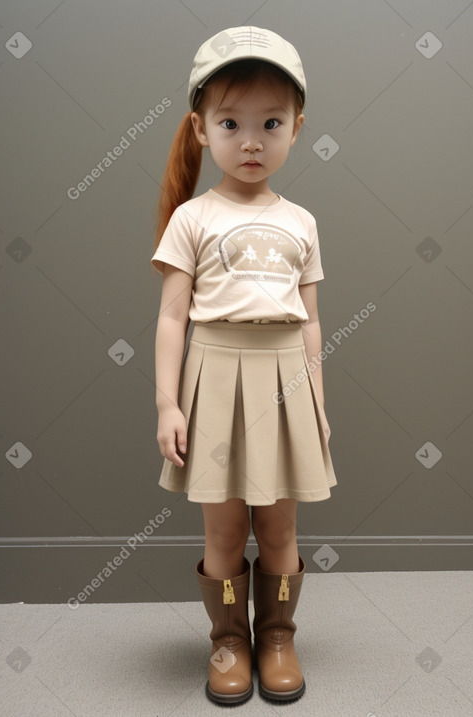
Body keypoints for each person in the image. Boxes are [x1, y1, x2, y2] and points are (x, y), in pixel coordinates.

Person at [151, 26, 338, 705]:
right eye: (231, 122)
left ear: (297, 128)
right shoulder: (191, 219)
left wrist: (318, 404)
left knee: (281, 525)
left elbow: (312, 321)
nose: (252, 140)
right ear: (201, 127)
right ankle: (228, 640)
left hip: (286, 379)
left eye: (271, 122)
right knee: (226, 527)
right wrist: (170, 405)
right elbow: (173, 318)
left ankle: (278, 637)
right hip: (216, 380)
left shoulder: (303, 222)